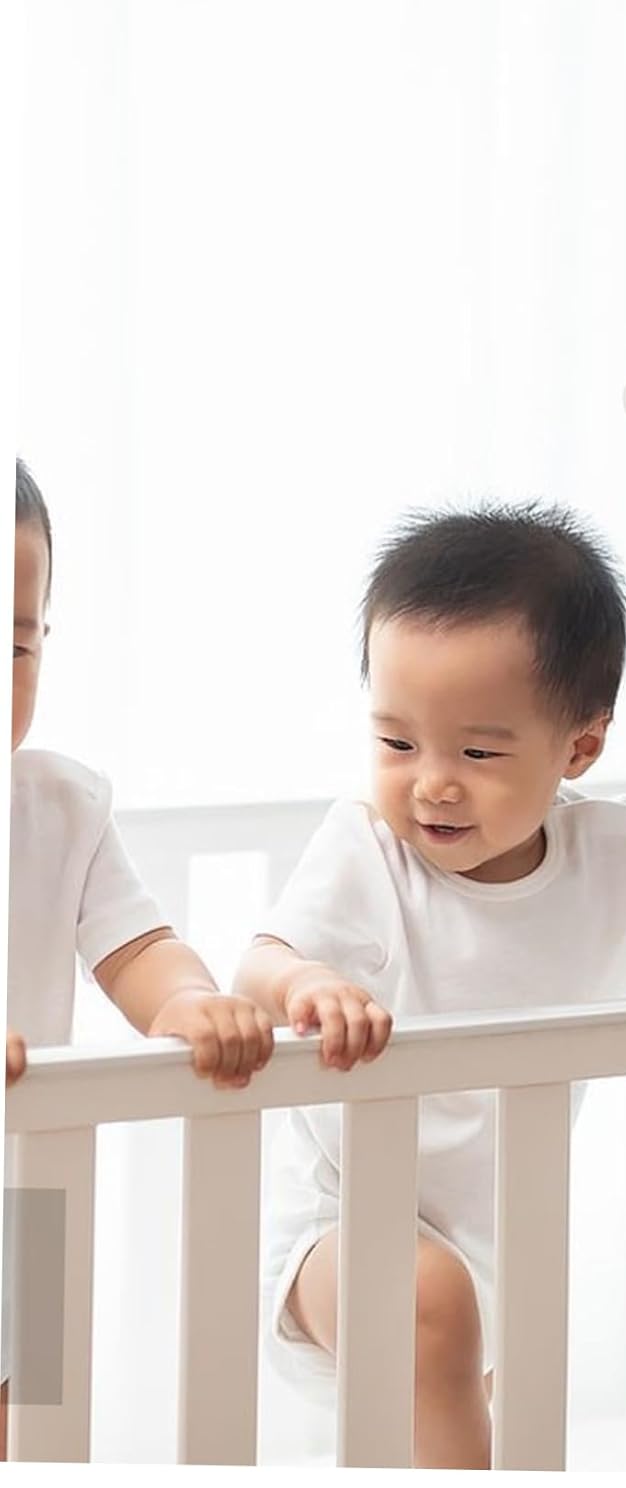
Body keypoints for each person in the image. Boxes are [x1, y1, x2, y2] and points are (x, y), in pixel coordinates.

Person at [235, 501, 626, 1469]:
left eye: (477, 752)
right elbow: (258, 962)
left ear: (579, 747)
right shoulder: (368, 853)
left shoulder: (611, 856)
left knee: (458, 1387)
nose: (432, 783)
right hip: (338, 1224)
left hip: (498, 1239)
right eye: (397, 744)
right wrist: (305, 984)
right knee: (433, 1306)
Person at [4, 458, 275, 1450]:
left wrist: (188, 1000)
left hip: (22, 1186)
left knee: (25, 1428)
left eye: (16, 642)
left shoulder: (60, 808)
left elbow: (136, 944)